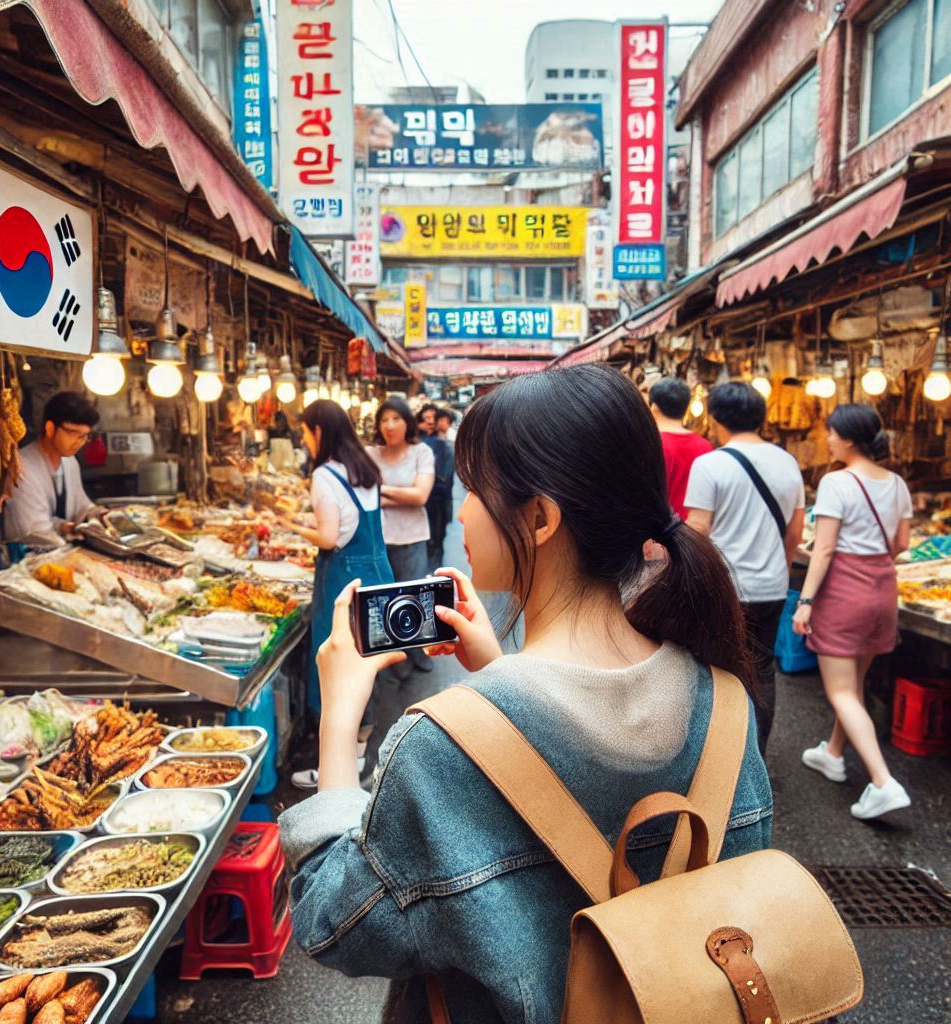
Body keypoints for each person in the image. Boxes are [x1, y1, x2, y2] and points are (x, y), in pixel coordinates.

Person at [278, 365, 771, 1023]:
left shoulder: (438, 746)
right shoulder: (727, 705)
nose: (463, 511)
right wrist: (498, 668)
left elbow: (334, 923)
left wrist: (339, 719)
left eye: (475, 490)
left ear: (538, 518)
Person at [793, 404, 912, 820]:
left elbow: (823, 548)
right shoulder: (897, 483)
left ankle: (883, 783)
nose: (826, 438)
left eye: (830, 432)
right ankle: (833, 753)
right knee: (855, 683)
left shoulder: (836, 482)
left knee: (841, 691)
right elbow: (901, 544)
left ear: (847, 438)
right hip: (883, 590)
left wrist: (805, 600)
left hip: (845, 592)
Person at [685, 381, 805, 756]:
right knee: (762, 670)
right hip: (770, 586)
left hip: (723, 587)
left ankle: (720, 759)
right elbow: (796, 533)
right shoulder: (788, 462)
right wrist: (779, 573)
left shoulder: (710, 464)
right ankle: (756, 754)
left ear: (717, 418)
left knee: (716, 670)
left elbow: (698, 530)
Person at [283, 399, 394, 789]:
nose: (303, 440)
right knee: (366, 665)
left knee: (336, 668)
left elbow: (330, 538)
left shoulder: (325, 476)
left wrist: (293, 526)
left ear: (318, 432)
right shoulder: (363, 467)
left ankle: (336, 771)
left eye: (304, 432)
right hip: (378, 574)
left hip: (344, 580)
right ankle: (360, 760)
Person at [368, 397, 435, 676]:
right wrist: (400, 495)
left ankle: (418, 653)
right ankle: (398, 661)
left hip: (412, 537)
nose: (390, 425)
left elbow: (420, 496)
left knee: (412, 601)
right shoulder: (371, 454)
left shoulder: (421, 453)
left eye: (396, 418)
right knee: (384, 602)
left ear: (407, 422)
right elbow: (362, 494)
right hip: (379, 539)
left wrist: (381, 492)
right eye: (384, 419)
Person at [4, 392, 103, 546]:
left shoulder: (70, 462)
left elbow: (80, 506)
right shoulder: (22, 467)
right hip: (24, 560)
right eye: (73, 433)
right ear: (50, 428)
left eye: (85, 436)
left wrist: (98, 515)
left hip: (59, 554)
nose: (79, 442)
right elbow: (34, 530)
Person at [648, 377, 712, 518]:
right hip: (696, 533)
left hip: (662, 531)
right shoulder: (706, 446)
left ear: (654, 408)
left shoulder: (652, 445)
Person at [421, 411, 455, 567]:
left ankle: (434, 566)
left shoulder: (446, 443)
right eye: (426, 419)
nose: (430, 422)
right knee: (434, 535)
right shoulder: (425, 443)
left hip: (441, 495)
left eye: (433, 419)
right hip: (434, 496)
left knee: (438, 534)